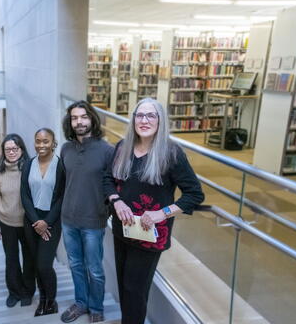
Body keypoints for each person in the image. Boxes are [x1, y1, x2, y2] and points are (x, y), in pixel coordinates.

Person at [103, 98, 204, 324]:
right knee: (124, 286)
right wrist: (116, 201)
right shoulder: (123, 147)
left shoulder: (171, 154)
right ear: (133, 120)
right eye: (140, 115)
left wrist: (162, 213)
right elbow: (108, 179)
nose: (144, 121)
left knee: (135, 290)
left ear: (160, 121)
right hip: (123, 229)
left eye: (151, 116)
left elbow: (194, 195)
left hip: (150, 236)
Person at [60, 100, 114, 324]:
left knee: (95, 269)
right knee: (75, 265)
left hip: (93, 222)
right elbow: (63, 182)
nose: (79, 121)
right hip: (68, 221)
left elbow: (113, 185)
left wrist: (105, 211)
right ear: (70, 122)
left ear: (92, 119)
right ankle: (81, 303)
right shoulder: (66, 149)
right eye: (74, 118)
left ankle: (96, 307)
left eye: (83, 117)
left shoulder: (107, 151)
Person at [21, 128, 65, 317]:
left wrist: (46, 222)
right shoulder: (28, 164)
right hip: (31, 221)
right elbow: (24, 194)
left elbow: (61, 197)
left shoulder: (61, 165)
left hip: (52, 221)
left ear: (53, 142)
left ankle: (51, 300)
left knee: (44, 265)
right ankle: (43, 300)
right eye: (38, 141)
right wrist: (36, 221)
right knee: (34, 262)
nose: (41, 145)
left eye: (45, 141)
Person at [0, 134, 35, 308]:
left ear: (21, 149)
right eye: (7, 149)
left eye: (15, 148)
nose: (11, 152)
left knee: (29, 258)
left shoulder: (31, 168)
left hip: (27, 223)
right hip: (6, 222)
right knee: (11, 259)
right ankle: (14, 292)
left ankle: (27, 292)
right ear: (3, 151)